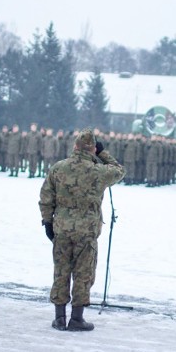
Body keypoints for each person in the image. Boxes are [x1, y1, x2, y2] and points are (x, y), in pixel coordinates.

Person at [38, 129, 125, 331]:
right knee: (83, 274)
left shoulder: (59, 168)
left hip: (62, 229)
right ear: (92, 149)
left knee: (61, 271)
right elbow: (118, 170)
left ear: (75, 147)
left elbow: (46, 197)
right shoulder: (98, 171)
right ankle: (77, 319)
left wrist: (47, 223)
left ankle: (59, 318)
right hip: (86, 232)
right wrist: (102, 154)